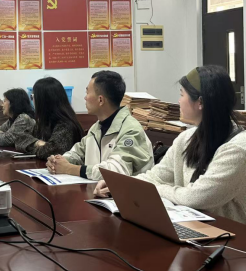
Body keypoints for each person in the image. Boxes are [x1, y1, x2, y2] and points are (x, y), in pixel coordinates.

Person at [94, 66, 246, 224]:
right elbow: (156, 176)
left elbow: (196, 197)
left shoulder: (238, 149)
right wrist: (120, 185)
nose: (179, 101)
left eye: (182, 95)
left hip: (230, 234)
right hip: (195, 227)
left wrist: (154, 190)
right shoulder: (186, 138)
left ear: (200, 102)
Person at [47, 71, 153, 180]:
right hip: (96, 188)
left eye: (87, 92)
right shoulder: (97, 127)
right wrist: (58, 161)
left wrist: (70, 168)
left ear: (100, 100)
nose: (85, 98)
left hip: (125, 191)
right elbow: (78, 153)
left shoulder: (131, 130)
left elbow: (115, 171)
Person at [13, 78, 84, 160]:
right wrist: (38, 142)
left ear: (43, 100)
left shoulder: (65, 124)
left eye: (33, 96)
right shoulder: (44, 121)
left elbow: (51, 152)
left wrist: (37, 146)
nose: (32, 101)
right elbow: (19, 139)